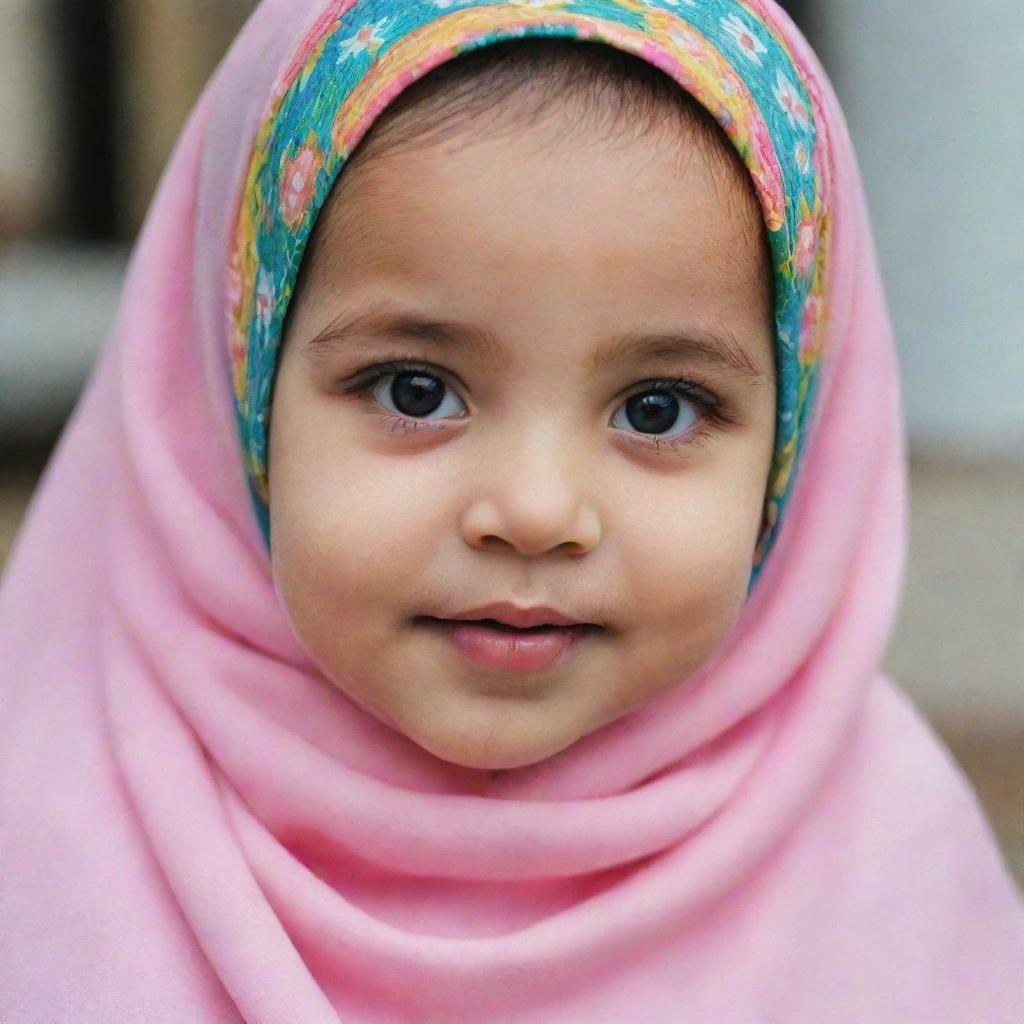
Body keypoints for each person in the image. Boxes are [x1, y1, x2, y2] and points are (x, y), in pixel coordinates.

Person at [1, 0, 1020, 1020]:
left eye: (656, 408)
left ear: (794, 448)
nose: (534, 511)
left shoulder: (881, 866)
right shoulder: (54, 831)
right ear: (236, 395)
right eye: (414, 390)